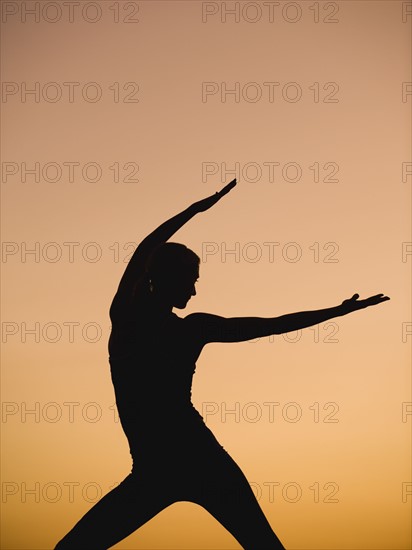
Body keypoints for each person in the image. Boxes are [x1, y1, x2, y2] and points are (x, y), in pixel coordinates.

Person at [55, 179, 389, 549]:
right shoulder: (131, 316)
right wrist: (192, 211)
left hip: (201, 461)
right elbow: (144, 250)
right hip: (156, 469)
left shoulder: (188, 327)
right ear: (164, 279)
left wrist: (337, 311)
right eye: (191, 280)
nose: (195, 291)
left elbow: (270, 325)